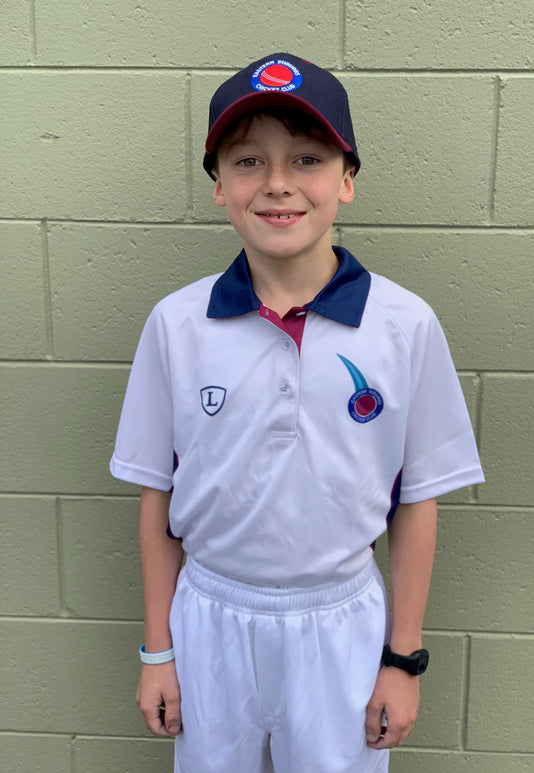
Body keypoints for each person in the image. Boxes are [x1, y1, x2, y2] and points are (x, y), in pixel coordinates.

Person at [110, 53, 484, 773]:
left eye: (306, 158)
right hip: (211, 615)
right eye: (248, 160)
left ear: (345, 179)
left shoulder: (404, 325)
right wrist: (159, 650)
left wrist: (401, 659)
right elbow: (157, 496)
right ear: (219, 185)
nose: (277, 183)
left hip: (340, 619)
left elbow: (417, 502)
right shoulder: (177, 324)